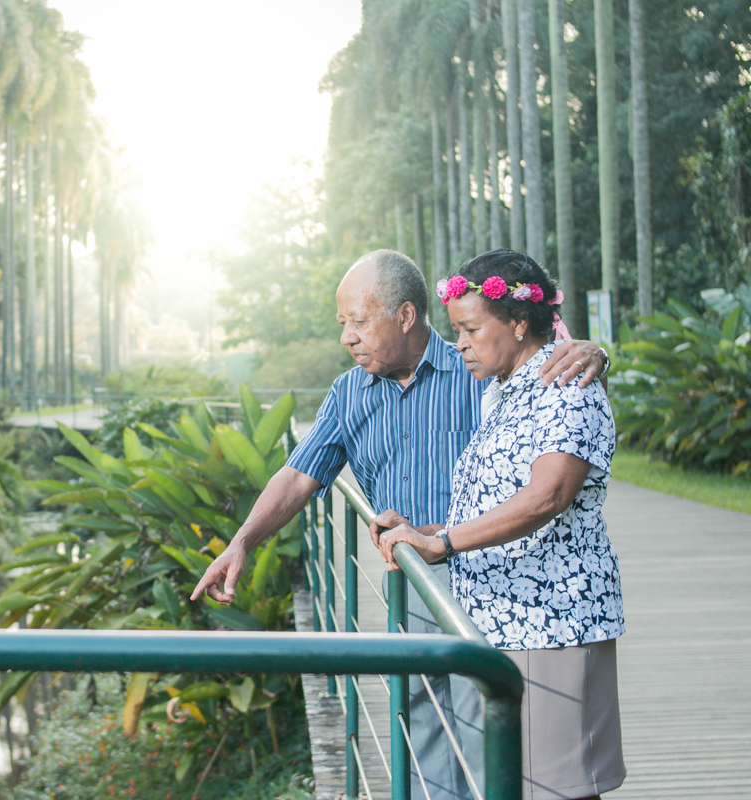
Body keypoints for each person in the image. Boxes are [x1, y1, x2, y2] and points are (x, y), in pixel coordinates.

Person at [189, 249, 608, 800]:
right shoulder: (348, 393)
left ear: (406, 316)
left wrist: (594, 353)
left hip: (490, 586)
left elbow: (542, 373)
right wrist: (242, 541)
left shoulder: (476, 364)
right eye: (343, 324)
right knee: (422, 721)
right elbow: (297, 478)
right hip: (407, 580)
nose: (347, 338)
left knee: (493, 739)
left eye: (359, 322)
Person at [374, 249, 625, 800]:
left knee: (558, 789)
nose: (458, 342)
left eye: (469, 328)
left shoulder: (567, 384)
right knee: (515, 785)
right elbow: (499, 500)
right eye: (455, 329)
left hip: (551, 622)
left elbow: (547, 496)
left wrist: (441, 542)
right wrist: (422, 530)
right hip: (505, 625)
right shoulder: (503, 393)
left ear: (517, 321)